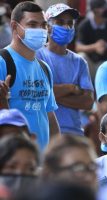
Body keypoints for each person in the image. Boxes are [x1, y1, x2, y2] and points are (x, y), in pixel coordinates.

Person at [0, 1, 59, 150]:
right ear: (14, 26)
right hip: (12, 159)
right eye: (32, 25)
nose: (40, 30)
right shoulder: (3, 62)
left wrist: (57, 154)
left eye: (43, 25)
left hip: (41, 162)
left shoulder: (44, 68)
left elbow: (49, 116)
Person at [36, 3, 94, 135]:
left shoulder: (79, 62)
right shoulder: (37, 56)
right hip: (44, 131)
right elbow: (39, 93)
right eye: (60, 22)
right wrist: (71, 88)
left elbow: (88, 102)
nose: (66, 27)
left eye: (70, 23)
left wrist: (51, 95)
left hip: (74, 132)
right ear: (48, 27)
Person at [76, 0, 107, 83]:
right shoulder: (84, 25)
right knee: (81, 56)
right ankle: (86, 87)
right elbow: (78, 47)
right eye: (104, 7)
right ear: (95, 10)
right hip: (91, 65)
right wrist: (95, 47)